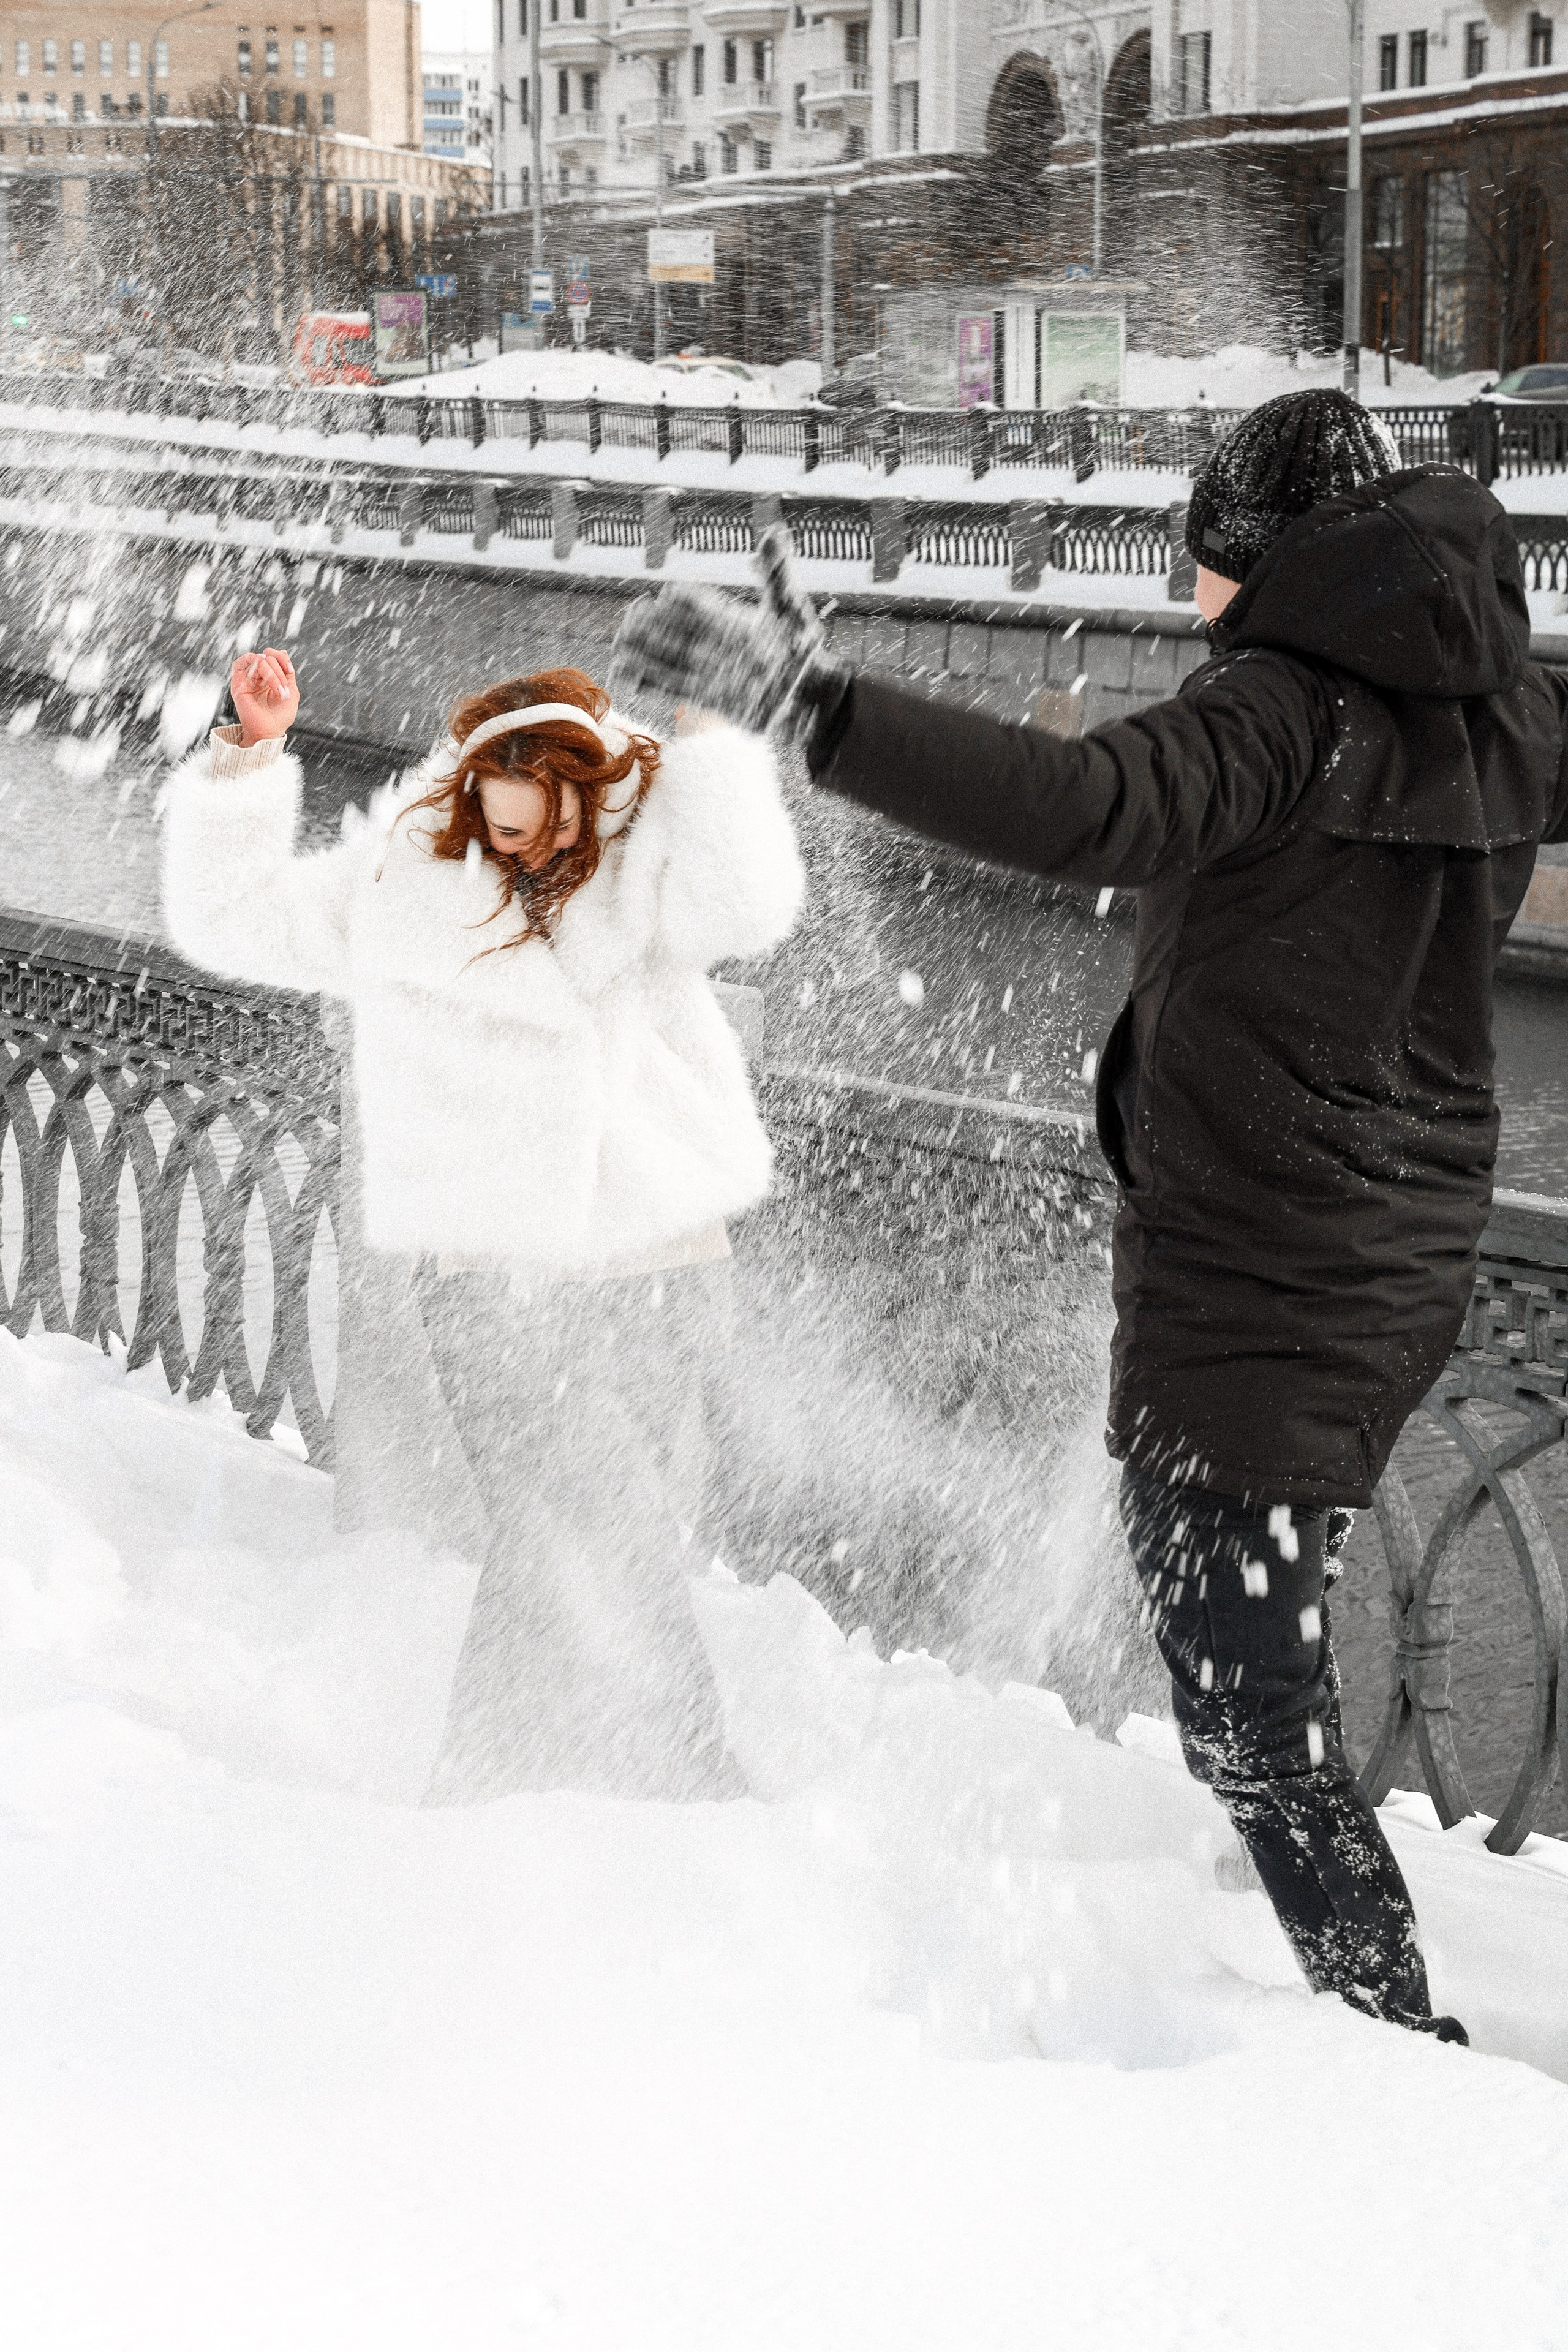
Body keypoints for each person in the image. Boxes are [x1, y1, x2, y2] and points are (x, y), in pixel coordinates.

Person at [610, 387, 1568, 2037]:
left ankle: (1388, 2046)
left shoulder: (1281, 712)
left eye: (1205, 562)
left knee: (1246, 1703)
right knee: (1243, 1653)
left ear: (1263, 555)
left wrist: (815, 709)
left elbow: (1079, 804)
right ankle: (1335, 1985)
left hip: (1270, 1260)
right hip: (1393, 1244)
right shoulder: (1499, 706)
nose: (1191, 597)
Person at [162, 650, 804, 1801]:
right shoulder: (400, 881)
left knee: (563, 1525)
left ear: (593, 798)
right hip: (486, 1273)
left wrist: (713, 749)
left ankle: (489, 1779)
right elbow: (234, 920)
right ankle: (689, 1773)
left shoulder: (653, 854)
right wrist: (249, 756)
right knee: (589, 1511)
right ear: (469, 806)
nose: (529, 855)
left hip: (651, 1262)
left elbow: (750, 905)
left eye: (551, 832)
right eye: (504, 832)